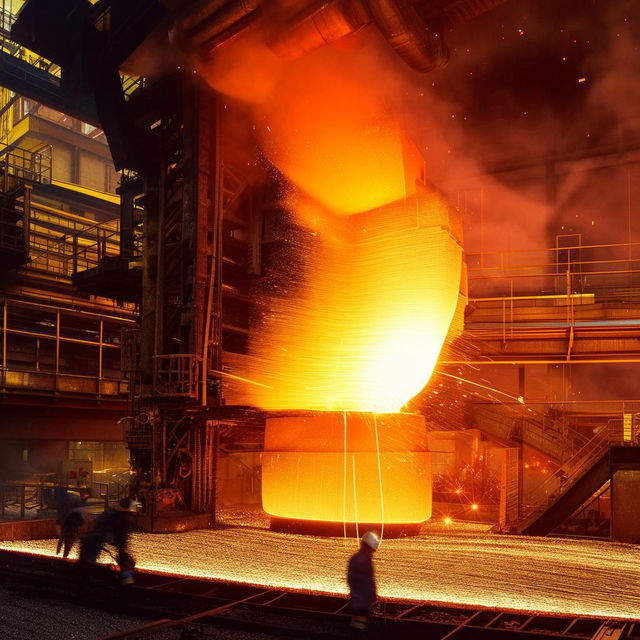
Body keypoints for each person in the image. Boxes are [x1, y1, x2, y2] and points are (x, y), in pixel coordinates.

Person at [78, 497, 137, 585]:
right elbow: (120, 536)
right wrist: (121, 551)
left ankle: (84, 581)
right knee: (88, 563)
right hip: (95, 540)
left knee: (87, 562)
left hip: (94, 540)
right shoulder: (120, 518)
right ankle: (127, 583)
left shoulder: (112, 514)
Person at [347, 531, 379, 639]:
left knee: (357, 625)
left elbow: (351, 580)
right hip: (362, 602)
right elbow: (367, 582)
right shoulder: (364, 560)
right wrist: (372, 598)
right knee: (359, 628)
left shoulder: (355, 558)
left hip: (356, 599)